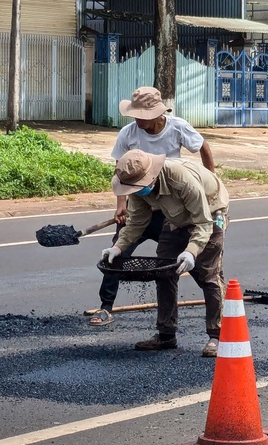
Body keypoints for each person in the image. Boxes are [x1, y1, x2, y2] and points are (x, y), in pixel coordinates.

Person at [90, 86, 215, 326]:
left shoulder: (177, 127)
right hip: (140, 201)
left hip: (172, 208)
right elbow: (121, 168)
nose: (137, 120)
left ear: (158, 114)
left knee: (190, 258)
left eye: (142, 116)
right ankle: (105, 307)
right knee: (117, 253)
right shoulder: (128, 133)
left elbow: (203, 147)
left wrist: (210, 179)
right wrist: (121, 203)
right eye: (135, 115)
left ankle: (214, 295)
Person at [101, 149, 229, 357]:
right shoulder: (138, 189)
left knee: (208, 275)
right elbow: (136, 223)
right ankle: (166, 334)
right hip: (176, 217)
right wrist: (119, 247)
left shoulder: (181, 179)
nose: (136, 191)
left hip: (211, 214)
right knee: (164, 272)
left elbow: (203, 222)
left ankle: (217, 334)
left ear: (150, 177)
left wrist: (191, 252)